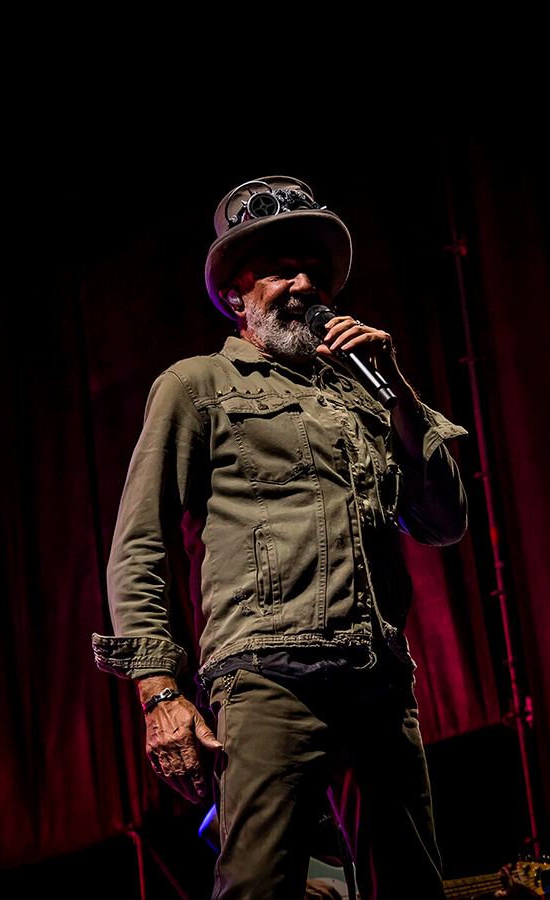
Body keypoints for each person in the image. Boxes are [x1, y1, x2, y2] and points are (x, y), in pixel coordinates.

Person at [93, 176, 469, 899]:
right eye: (277, 271)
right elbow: (138, 545)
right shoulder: (197, 385)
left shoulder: (366, 394)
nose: (302, 285)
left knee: (413, 887)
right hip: (268, 675)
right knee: (258, 887)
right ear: (234, 294)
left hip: (379, 678)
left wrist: (398, 390)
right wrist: (159, 693)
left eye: (312, 271)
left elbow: (445, 521)